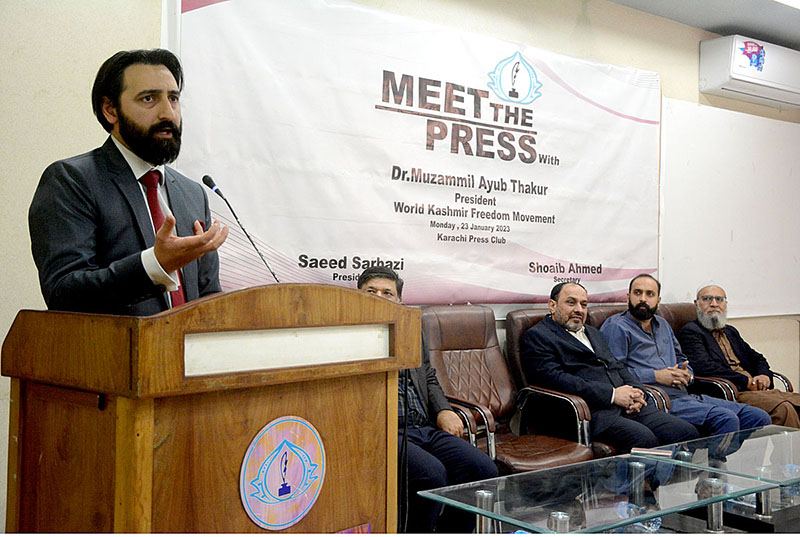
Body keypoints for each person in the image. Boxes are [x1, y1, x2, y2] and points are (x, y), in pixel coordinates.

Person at [29, 49, 228, 315]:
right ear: (111, 110)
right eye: (149, 98)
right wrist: (155, 265)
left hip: (185, 354)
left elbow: (208, 298)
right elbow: (64, 292)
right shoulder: (72, 181)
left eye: (173, 98)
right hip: (111, 354)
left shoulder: (192, 193)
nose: (167, 114)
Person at [357, 266, 498, 533]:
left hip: (424, 427)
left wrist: (444, 410)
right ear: (358, 296)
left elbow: (429, 377)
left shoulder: (411, 327)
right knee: (431, 474)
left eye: (387, 293)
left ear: (399, 301)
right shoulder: (347, 333)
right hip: (384, 431)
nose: (379, 297)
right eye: (371, 291)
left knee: (482, 468)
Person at [521, 282, 698, 453]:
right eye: (571, 302)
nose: (579, 310)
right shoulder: (538, 336)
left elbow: (617, 366)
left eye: (583, 304)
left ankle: (657, 483)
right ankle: (630, 484)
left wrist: (637, 392)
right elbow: (556, 379)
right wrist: (613, 395)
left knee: (685, 432)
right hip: (590, 412)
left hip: (625, 405)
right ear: (552, 305)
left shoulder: (592, 332)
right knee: (644, 439)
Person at [600, 275, 771, 437]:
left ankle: (726, 461)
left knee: (757, 416)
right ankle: (711, 466)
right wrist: (657, 376)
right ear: (628, 297)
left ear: (658, 301)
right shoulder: (617, 327)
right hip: (658, 400)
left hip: (686, 396)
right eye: (638, 293)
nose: (643, 299)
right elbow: (613, 374)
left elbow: (681, 358)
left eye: (650, 294)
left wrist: (686, 373)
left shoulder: (663, 325)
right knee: (726, 419)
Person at [678, 284, 800, 428]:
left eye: (719, 299)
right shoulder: (691, 332)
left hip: (754, 389)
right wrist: (746, 382)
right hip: (731, 392)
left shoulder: (730, 331)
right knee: (783, 409)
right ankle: (786, 450)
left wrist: (764, 375)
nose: (714, 304)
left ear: (725, 304)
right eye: (707, 299)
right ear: (696, 304)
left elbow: (756, 357)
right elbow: (704, 368)